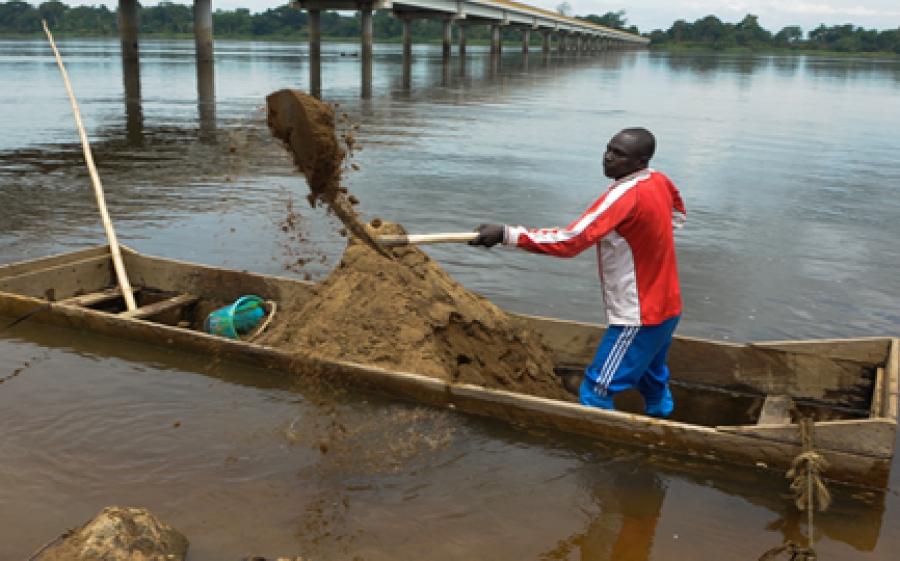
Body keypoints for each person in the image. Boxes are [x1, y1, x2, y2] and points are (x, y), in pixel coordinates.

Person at [469, 128, 686, 418]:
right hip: (668, 305)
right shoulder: (658, 180)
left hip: (640, 313)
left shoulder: (623, 196)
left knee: (597, 388)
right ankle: (663, 423)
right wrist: (644, 238)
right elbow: (678, 215)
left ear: (641, 161)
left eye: (619, 154)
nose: (608, 158)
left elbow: (570, 241)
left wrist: (507, 235)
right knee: (652, 377)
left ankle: (594, 456)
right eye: (608, 150)